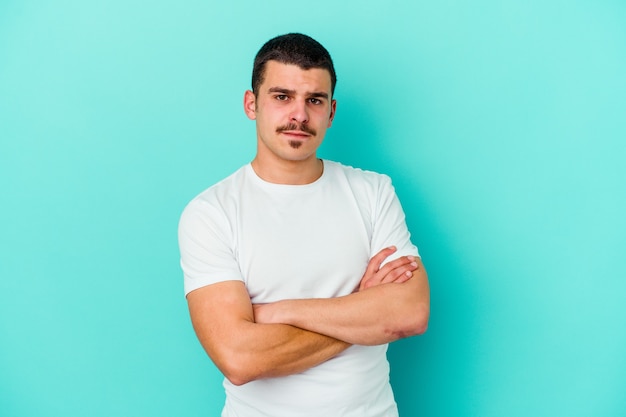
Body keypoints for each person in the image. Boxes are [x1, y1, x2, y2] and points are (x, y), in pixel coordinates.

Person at [178, 33, 430, 417]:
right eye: (282, 97)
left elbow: (408, 313)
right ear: (252, 104)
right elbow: (240, 358)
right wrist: (362, 312)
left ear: (330, 112)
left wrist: (277, 311)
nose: (299, 115)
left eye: (314, 100)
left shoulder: (373, 192)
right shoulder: (211, 212)